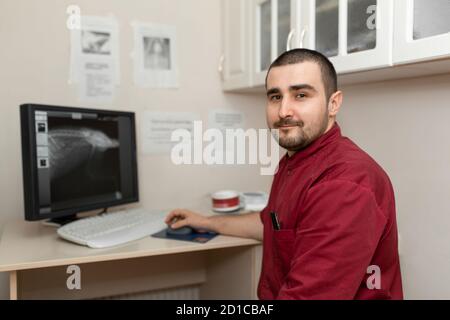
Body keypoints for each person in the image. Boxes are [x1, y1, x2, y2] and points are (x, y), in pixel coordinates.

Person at [165, 49, 403, 300]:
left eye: (301, 95)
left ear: (333, 103)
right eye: (275, 96)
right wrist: (205, 222)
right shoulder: (295, 160)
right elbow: (272, 224)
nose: (283, 111)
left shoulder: (345, 182)